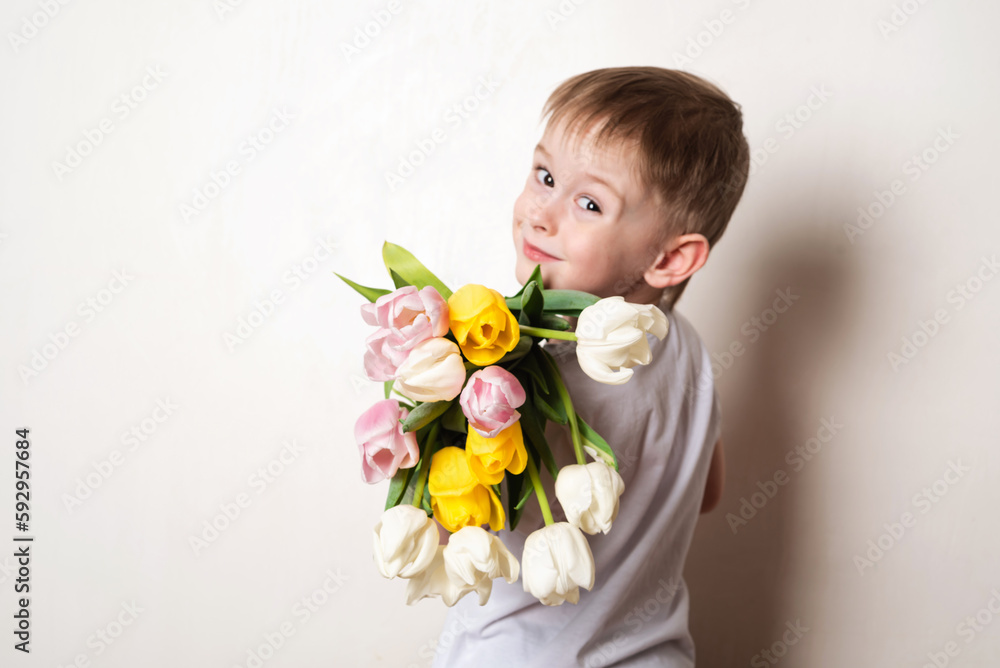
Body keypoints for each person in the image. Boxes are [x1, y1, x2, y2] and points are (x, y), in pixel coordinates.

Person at [430, 66, 749, 667]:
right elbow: (706, 492)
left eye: (589, 203)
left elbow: (449, 531)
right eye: (545, 176)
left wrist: (428, 414)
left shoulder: (518, 375)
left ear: (670, 258)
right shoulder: (688, 350)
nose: (541, 215)